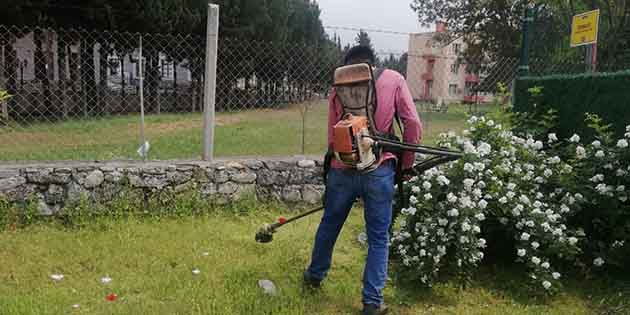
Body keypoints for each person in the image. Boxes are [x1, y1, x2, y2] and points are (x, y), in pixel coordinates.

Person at [303, 45, 422, 315]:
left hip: (341, 169)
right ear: (372, 63)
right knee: (378, 238)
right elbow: (412, 124)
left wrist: (336, 163)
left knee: (330, 224)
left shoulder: (337, 88)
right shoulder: (393, 79)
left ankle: (314, 275)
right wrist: (406, 165)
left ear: (348, 67)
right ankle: (372, 302)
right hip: (379, 169)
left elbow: (334, 136)